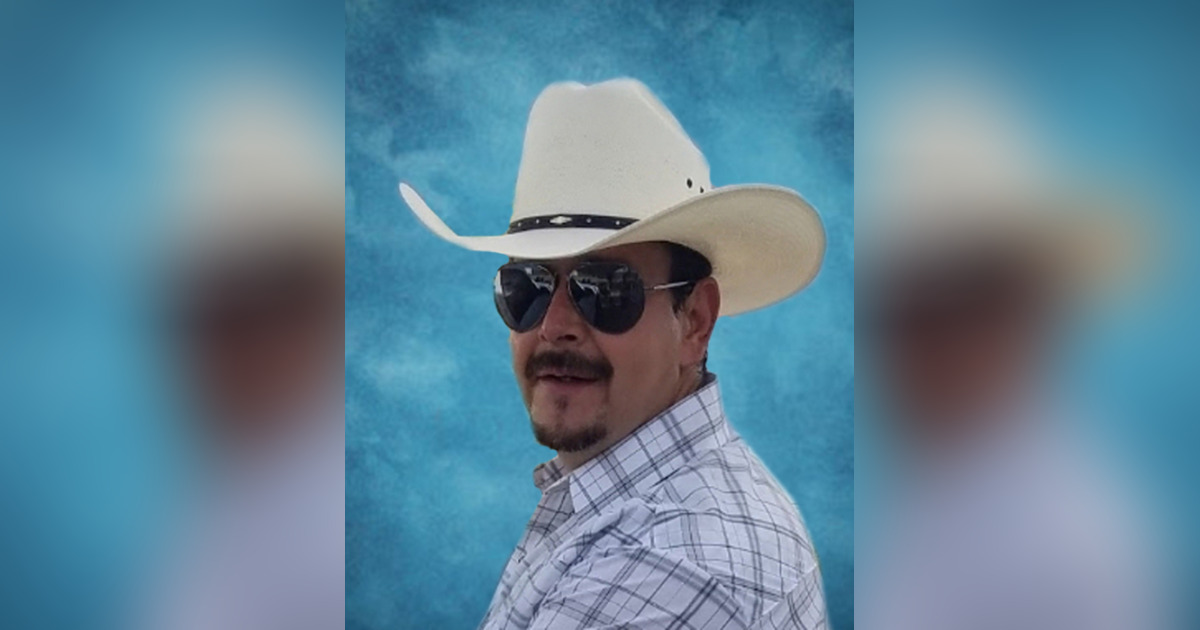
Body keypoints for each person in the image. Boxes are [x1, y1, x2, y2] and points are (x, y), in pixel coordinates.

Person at [398, 78, 828, 629]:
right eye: (526, 287)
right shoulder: (630, 503)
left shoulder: (668, 565)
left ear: (695, 321)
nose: (554, 327)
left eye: (604, 290)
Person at [856, 74, 1165, 630]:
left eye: (954, 308)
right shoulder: (945, 483)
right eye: (903, 314)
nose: (918, 346)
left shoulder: (1066, 546)